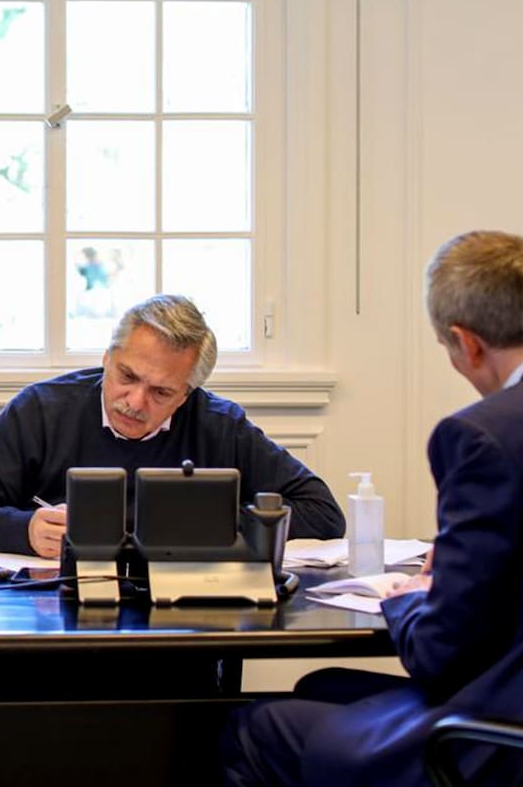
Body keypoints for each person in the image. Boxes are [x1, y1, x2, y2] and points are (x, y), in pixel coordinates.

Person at [221, 230, 523, 786]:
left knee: (253, 726)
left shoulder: (486, 436)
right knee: (322, 686)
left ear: (467, 343)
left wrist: (412, 595)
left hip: (497, 738)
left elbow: (440, 654)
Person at [0, 294, 344, 558]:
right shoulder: (40, 409)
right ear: (107, 357)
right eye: (127, 376)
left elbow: (323, 513)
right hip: (53, 612)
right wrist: (25, 530)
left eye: (161, 392)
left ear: (186, 394)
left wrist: (210, 526)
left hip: (177, 622)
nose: (135, 402)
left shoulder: (219, 426)